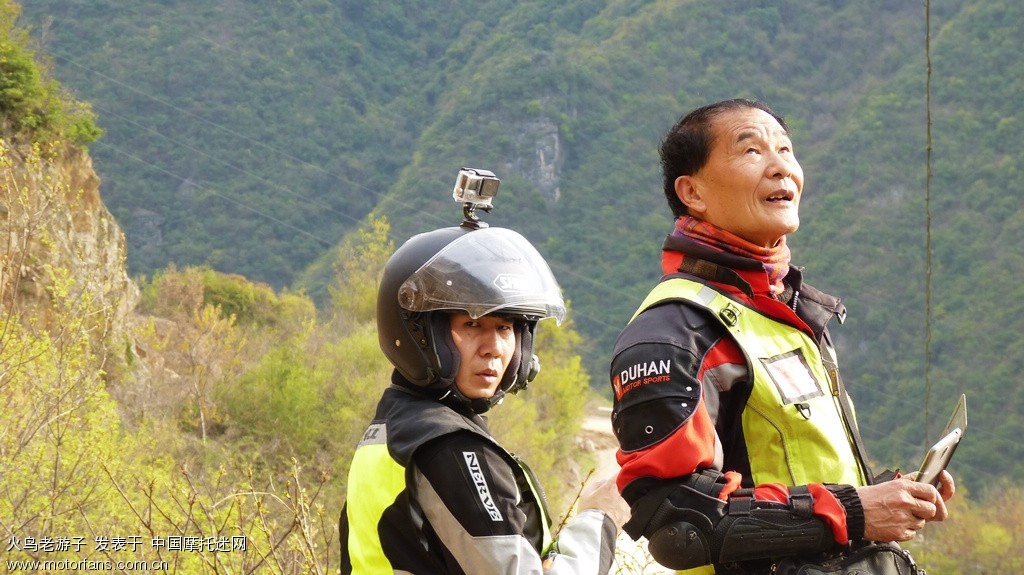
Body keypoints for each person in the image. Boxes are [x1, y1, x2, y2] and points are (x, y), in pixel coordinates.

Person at [608, 99, 955, 574]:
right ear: (693, 192)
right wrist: (853, 512)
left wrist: (887, 494)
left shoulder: (785, 311)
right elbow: (679, 524)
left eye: (786, 150)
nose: (781, 168)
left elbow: (796, 476)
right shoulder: (673, 334)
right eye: (751, 151)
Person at [340, 173, 629, 574]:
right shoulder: (450, 448)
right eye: (472, 324)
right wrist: (601, 518)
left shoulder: (394, 428)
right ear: (420, 335)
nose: (495, 347)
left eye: (506, 327)